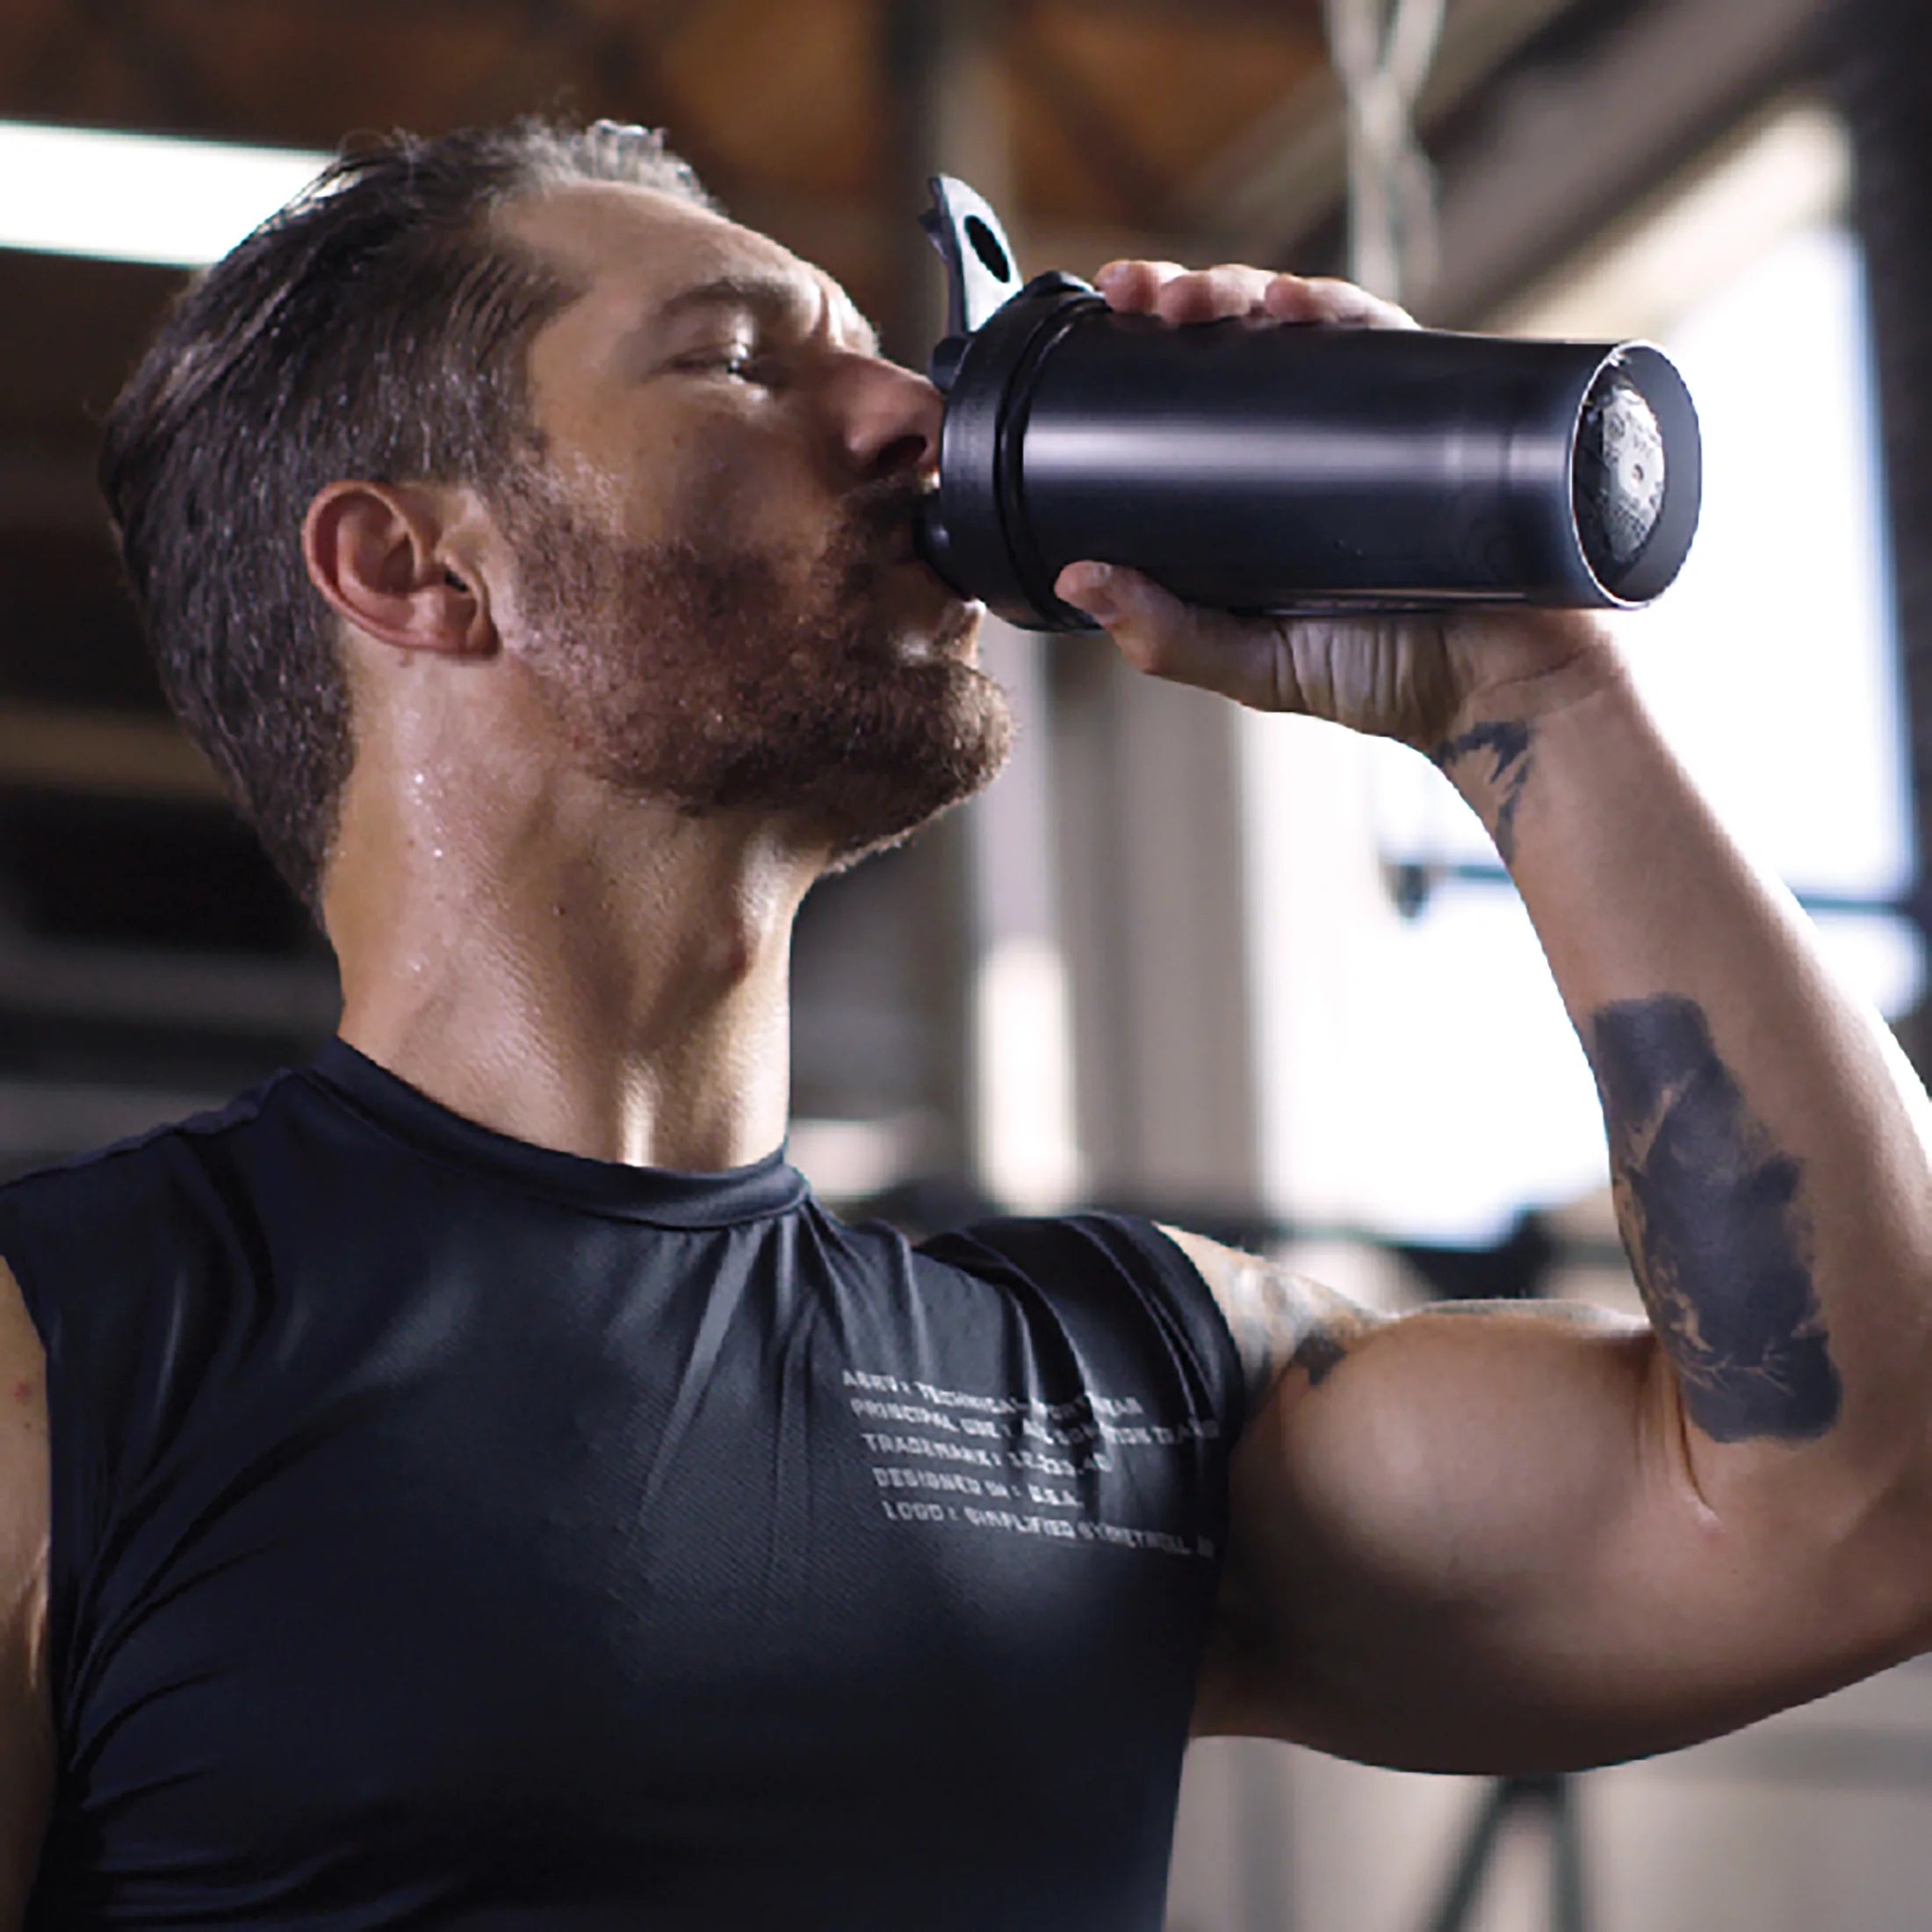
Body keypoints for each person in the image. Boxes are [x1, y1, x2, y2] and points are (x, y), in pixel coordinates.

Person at [0, 115, 1926, 1928]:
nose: (913, 414)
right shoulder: (69, 1357)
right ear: (413, 567)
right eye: (740, 362)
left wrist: (1534, 688)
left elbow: (1864, 1504)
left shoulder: (1131, 1391)